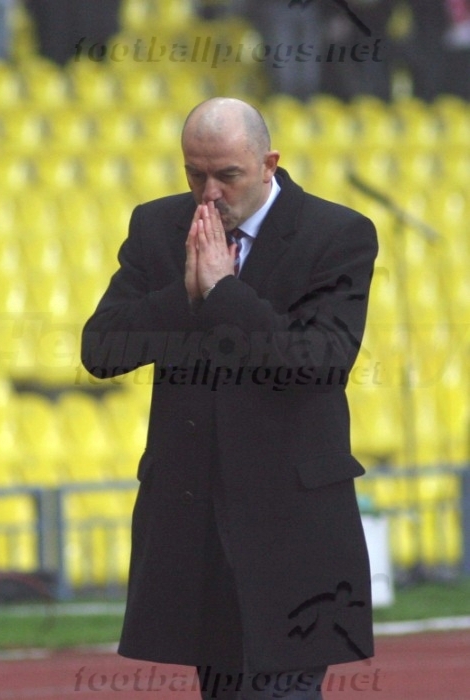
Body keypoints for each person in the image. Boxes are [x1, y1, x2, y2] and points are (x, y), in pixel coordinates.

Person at [81, 97, 378, 699]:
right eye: (195, 174)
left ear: (269, 164)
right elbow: (102, 349)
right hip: (196, 529)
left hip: (294, 531)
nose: (209, 193)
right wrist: (186, 299)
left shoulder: (337, 233)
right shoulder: (157, 226)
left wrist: (224, 294)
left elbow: (319, 363)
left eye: (227, 175)